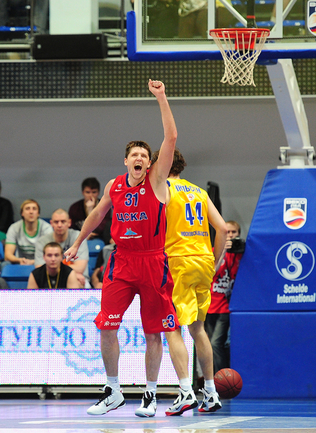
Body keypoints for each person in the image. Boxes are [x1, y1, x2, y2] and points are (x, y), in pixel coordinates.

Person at [64, 80, 196, 418]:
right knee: (106, 325)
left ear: (150, 163)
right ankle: (113, 390)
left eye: (144, 155)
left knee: (154, 333)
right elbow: (97, 215)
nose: (139, 158)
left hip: (153, 262)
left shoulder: (156, 180)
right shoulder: (114, 185)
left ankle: (150, 395)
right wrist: (77, 242)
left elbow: (171, 137)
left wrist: (161, 97)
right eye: (134, 155)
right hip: (121, 261)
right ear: (125, 161)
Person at [151, 148, 227, 413]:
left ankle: (185, 391)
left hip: (177, 262)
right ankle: (211, 392)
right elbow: (223, 228)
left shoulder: (162, 189)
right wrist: (214, 261)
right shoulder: (199, 191)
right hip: (203, 262)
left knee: (171, 327)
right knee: (198, 329)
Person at [205, 220, 244, 373]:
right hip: (210, 305)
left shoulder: (242, 253)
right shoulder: (214, 251)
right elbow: (211, 273)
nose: (230, 235)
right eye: (227, 232)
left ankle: (222, 378)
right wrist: (222, 251)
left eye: (233, 232)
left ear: (238, 234)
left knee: (215, 344)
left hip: (228, 306)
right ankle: (212, 378)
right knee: (210, 346)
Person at [34, 209, 89, 288]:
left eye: (63, 221)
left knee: (78, 282)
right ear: (51, 223)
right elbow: (39, 268)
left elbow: (80, 268)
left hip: (79, 278)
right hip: (49, 278)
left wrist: (70, 275)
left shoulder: (78, 237)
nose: (59, 225)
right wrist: (70, 273)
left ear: (69, 222)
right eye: (56, 222)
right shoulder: (42, 241)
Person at [4, 199, 52, 266]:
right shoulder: (14, 228)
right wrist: (19, 260)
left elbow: (51, 254)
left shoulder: (47, 228)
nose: (31, 212)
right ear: (22, 213)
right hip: (20, 263)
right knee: (5, 264)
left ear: (38, 213)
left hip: (41, 263)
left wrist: (33, 262)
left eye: (34, 209)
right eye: (27, 209)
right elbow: (8, 255)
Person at [69, 177, 111, 242]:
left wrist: (91, 211)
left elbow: (103, 228)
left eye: (94, 192)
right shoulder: (74, 208)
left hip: (99, 239)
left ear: (98, 193)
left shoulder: (105, 206)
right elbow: (72, 228)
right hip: (78, 238)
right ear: (83, 192)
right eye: (87, 192)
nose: (91, 195)